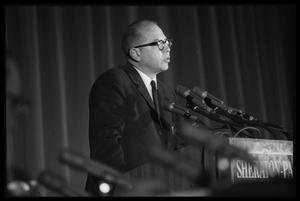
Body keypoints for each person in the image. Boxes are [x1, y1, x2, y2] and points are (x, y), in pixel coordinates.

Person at [85, 20, 188, 196]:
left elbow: (180, 143)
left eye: (168, 42)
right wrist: (129, 184)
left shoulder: (166, 93)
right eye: (160, 43)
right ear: (136, 53)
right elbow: (106, 145)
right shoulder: (114, 81)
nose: (168, 48)